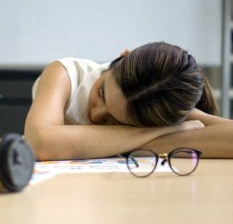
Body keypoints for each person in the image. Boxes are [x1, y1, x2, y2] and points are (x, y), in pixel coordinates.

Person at [24, 42, 233, 160]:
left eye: (116, 120)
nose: (95, 114)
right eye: (102, 93)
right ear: (123, 56)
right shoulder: (65, 74)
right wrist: (161, 132)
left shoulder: (156, 107)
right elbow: (40, 143)